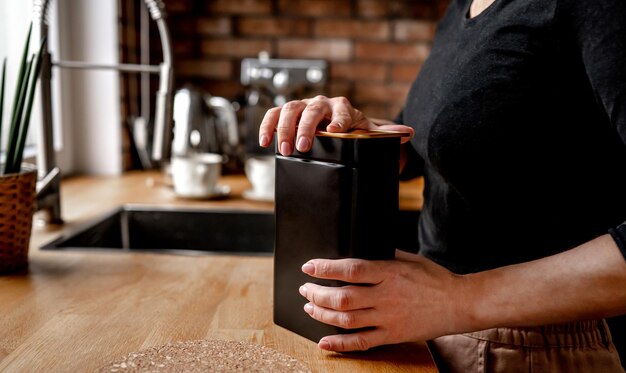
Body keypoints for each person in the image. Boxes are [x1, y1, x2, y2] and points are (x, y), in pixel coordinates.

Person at [258, 0, 626, 371]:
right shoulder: (463, 8)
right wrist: (350, 134)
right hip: (431, 337)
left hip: (529, 351)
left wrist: (456, 299)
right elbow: (431, 144)